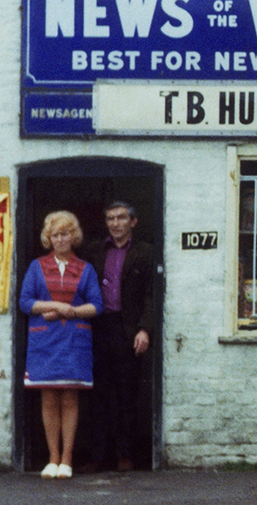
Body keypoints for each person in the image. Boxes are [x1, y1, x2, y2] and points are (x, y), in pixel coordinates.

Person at [20, 210, 100, 479]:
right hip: (45, 341)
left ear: (73, 236)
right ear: (49, 238)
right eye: (55, 234)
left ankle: (67, 459)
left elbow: (96, 306)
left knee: (69, 398)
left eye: (65, 233)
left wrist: (72, 312)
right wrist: (57, 305)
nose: (60, 239)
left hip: (74, 341)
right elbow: (26, 302)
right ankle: (52, 457)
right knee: (49, 399)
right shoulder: (36, 266)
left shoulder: (85, 269)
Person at [84, 199, 162, 472]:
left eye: (121, 218)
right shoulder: (94, 251)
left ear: (133, 222)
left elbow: (153, 295)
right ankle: (96, 456)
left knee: (127, 395)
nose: (115, 223)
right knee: (98, 394)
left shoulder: (146, 252)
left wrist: (145, 329)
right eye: (110, 218)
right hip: (98, 326)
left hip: (128, 329)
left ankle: (125, 454)